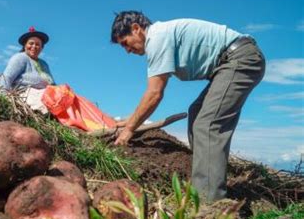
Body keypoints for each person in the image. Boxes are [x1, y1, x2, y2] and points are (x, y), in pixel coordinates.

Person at [110, 11, 265, 202]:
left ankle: (210, 204)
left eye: (125, 42)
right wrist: (131, 119)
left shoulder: (157, 38)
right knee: (197, 112)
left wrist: (129, 129)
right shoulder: (160, 36)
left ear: (136, 29)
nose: (126, 50)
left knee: (207, 124)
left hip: (239, 59)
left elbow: (154, 94)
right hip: (230, 62)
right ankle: (206, 180)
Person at [1, 26, 55, 113]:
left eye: (38, 44)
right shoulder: (20, 58)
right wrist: (4, 98)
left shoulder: (44, 64)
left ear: (42, 48)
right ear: (25, 45)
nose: (34, 46)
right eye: (31, 43)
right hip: (27, 94)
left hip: (47, 94)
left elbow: (52, 83)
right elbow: (7, 77)